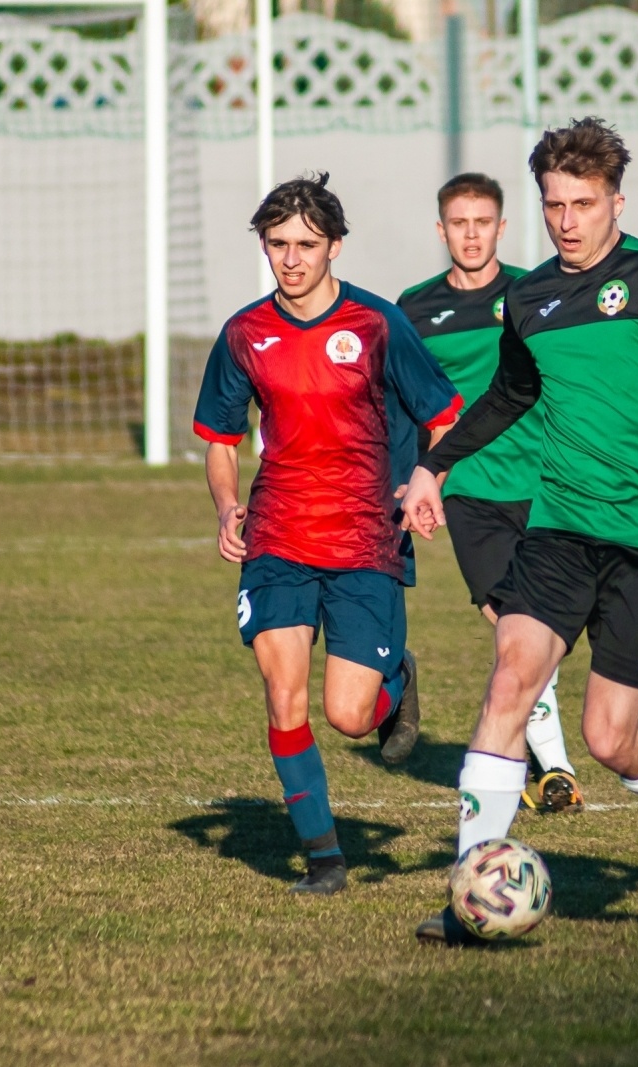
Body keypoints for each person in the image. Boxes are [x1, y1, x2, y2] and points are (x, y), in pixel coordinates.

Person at [399, 119, 638, 945]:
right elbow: (508, 394)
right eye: (555, 204)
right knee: (508, 681)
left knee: (609, 737)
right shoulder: (529, 300)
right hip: (560, 525)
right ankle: (473, 897)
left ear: (616, 202)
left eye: (584, 203)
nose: (567, 220)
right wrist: (436, 466)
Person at [193, 173, 462, 896]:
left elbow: (443, 414)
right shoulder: (245, 333)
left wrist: (429, 480)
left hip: (363, 537)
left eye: (306, 244)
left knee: (348, 714)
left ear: (334, 246)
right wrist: (226, 506)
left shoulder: (377, 325)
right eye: (278, 244)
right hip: (277, 535)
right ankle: (324, 858)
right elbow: (220, 439)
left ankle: (395, 679)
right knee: (284, 696)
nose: (291, 258)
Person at [396, 172, 584, 816]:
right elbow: (407, 403)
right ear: (441, 229)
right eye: (459, 222)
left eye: (483, 222)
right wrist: (418, 475)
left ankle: (540, 758)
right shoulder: (414, 311)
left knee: (538, 629)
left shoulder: (538, 295)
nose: (471, 234)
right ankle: (555, 767)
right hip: (470, 489)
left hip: (547, 484)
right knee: (512, 623)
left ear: (502, 228)